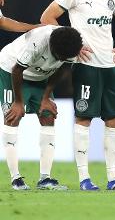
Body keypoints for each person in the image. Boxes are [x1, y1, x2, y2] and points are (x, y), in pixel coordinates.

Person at [40, 0, 115, 191]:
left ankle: (114, 178)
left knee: (114, 120)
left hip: (110, 66)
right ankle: (84, 179)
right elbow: (47, 17)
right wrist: (73, 45)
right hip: (86, 67)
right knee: (84, 119)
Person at [0, 26, 83, 190]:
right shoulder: (37, 42)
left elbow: (62, 68)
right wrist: (18, 102)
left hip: (40, 77)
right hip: (11, 70)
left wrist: (46, 97)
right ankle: (16, 178)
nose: (60, 59)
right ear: (51, 46)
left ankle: (45, 179)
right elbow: (17, 69)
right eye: (58, 55)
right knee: (12, 118)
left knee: (48, 116)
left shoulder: (73, 45)